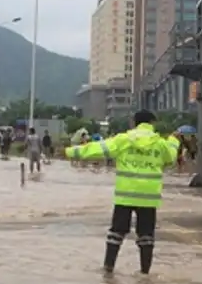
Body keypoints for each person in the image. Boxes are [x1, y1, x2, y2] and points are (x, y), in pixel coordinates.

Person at [65, 110, 180, 274]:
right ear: (152, 123)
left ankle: (108, 269)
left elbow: (97, 149)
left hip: (125, 195)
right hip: (149, 198)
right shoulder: (160, 143)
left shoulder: (123, 140)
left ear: (134, 122)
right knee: (146, 236)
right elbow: (171, 158)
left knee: (116, 232)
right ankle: (145, 273)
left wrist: (70, 152)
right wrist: (174, 140)